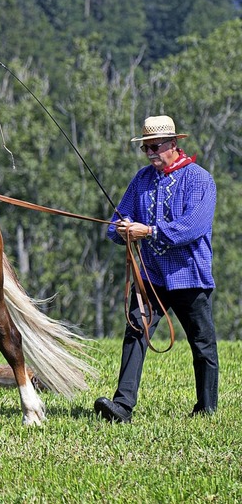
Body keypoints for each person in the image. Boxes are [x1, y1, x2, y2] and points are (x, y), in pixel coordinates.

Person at [94, 115, 218, 423]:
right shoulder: (141, 180)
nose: (150, 153)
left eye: (155, 146)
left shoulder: (200, 179)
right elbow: (115, 224)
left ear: (173, 144)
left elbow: (192, 227)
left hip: (188, 276)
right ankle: (122, 406)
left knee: (203, 344)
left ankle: (206, 409)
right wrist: (122, 229)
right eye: (145, 148)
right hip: (151, 276)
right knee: (136, 331)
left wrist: (147, 231)